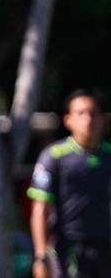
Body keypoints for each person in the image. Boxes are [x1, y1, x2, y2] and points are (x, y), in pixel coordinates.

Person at [27, 89, 110, 278]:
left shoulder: (108, 156)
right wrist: (41, 257)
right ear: (68, 120)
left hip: (104, 251)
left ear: (102, 119)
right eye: (80, 113)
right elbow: (39, 209)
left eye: (93, 113)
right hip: (68, 252)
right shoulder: (54, 156)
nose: (87, 119)